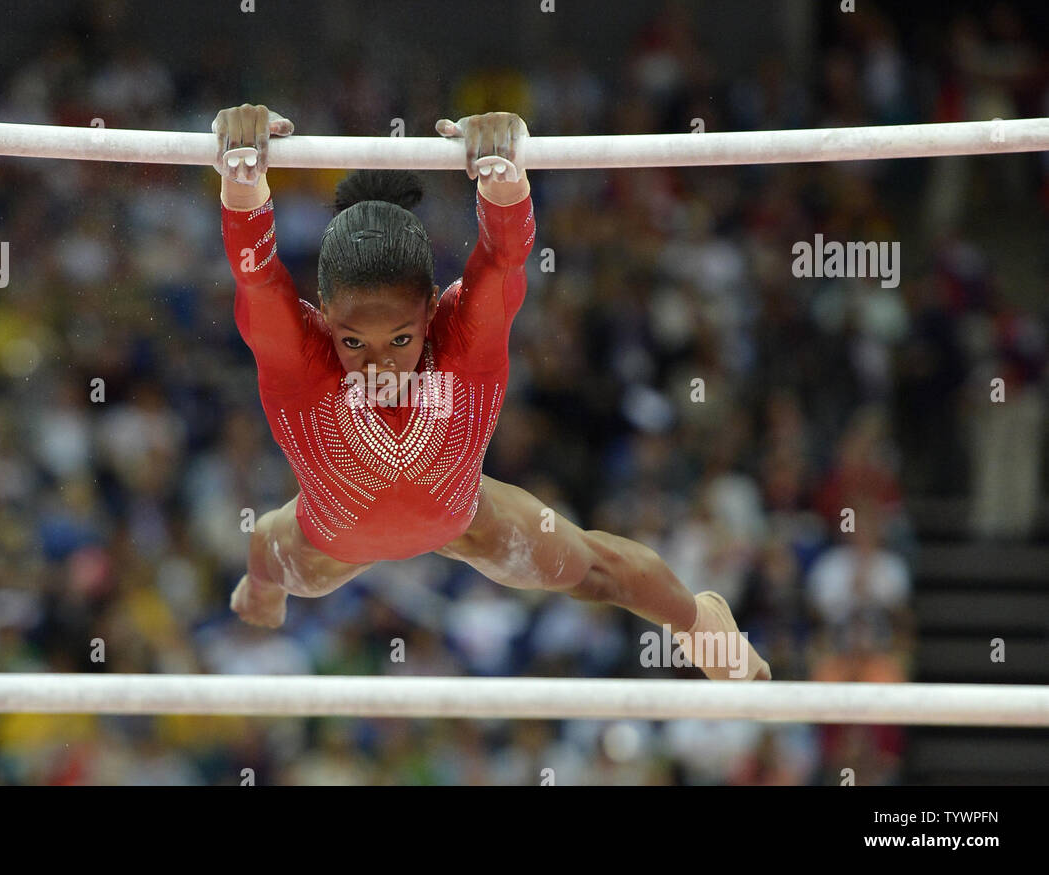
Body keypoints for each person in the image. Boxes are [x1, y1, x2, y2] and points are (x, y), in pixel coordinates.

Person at [215, 103, 769, 681]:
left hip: (465, 518)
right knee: (267, 563)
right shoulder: (299, 355)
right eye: (354, 342)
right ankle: (259, 596)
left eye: (401, 338)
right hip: (327, 540)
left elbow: (504, 256)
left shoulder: (464, 340)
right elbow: (256, 273)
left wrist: (505, 175)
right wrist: (241, 176)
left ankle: (704, 625)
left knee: (597, 571)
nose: (380, 362)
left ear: (432, 306)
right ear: (324, 315)